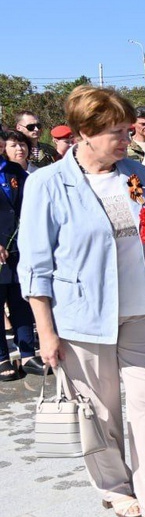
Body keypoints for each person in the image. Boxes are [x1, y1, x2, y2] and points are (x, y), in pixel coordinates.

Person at [18, 85, 145, 517]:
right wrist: (45, 332)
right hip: (83, 316)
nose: (127, 138)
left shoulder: (137, 172)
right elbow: (36, 264)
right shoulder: (47, 183)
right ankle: (116, 486)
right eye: (116, 132)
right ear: (84, 133)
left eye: (128, 130)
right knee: (100, 409)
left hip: (143, 309)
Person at [1, 134, 38, 380]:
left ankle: (27, 352)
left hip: (18, 246)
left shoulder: (13, 170)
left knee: (20, 298)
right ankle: (2, 357)